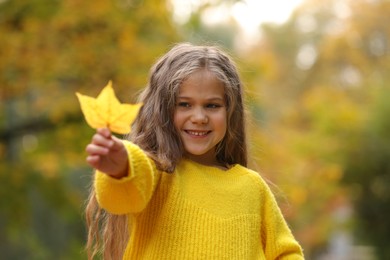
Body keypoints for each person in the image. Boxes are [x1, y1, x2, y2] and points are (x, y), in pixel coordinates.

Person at [84, 43, 304, 259]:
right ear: (163, 111)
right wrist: (121, 167)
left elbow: (286, 252)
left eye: (212, 105)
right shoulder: (156, 174)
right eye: (184, 104)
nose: (199, 118)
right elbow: (121, 196)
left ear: (230, 112)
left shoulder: (252, 187)